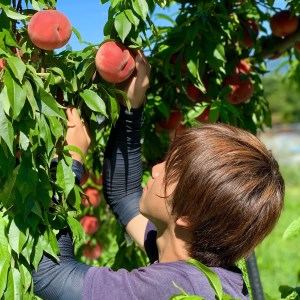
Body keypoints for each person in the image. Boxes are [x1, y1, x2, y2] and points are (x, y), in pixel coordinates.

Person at [32, 51, 285, 300]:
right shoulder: (202, 263)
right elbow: (124, 195)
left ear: (186, 216)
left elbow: (49, 276)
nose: (154, 169)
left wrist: (67, 164)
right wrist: (131, 108)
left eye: (170, 170)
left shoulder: (173, 289)